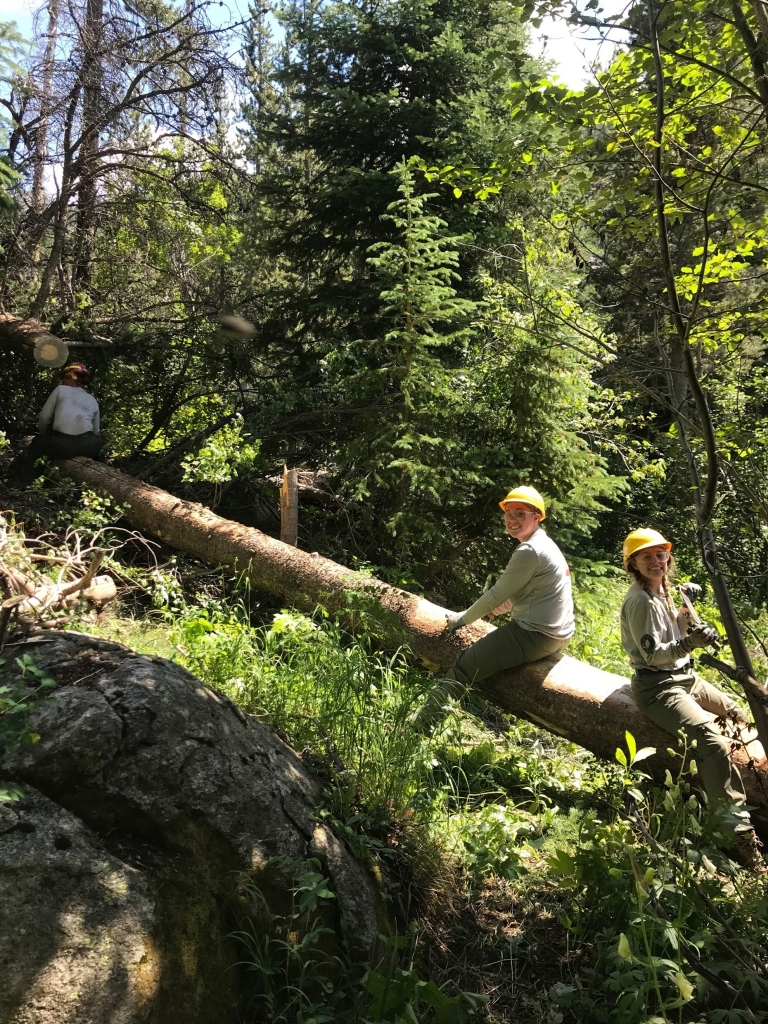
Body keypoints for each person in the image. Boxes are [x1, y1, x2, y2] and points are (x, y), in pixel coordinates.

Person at [620, 528, 765, 873]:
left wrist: (691, 622)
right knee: (710, 739)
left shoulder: (667, 591)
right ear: (633, 564)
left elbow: (681, 631)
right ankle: (738, 836)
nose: (656, 561)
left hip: (686, 677)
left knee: (737, 712)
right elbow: (653, 655)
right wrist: (690, 644)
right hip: (658, 687)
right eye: (647, 556)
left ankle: (757, 776)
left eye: (661, 555)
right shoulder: (639, 601)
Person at [417, 486, 574, 726]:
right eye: (508, 513)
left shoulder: (530, 550)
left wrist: (462, 620)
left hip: (537, 635)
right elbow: (521, 593)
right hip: (558, 635)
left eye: (520, 513)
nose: (512, 519)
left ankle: (420, 728)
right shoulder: (544, 544)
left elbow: (496, 593)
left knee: (463, 666)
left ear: (536, 516)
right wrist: (495, 610)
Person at [17, 362, 102, 483]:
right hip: (88, 446)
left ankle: (27, 483)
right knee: (98, 451)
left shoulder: (60, 389)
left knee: (36, 445)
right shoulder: (92, 399)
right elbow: (96, 431)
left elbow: (44, 417)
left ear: (70, 377)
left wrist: (43, 434)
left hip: (62, 445)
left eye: (64, 377)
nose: (63, 380)